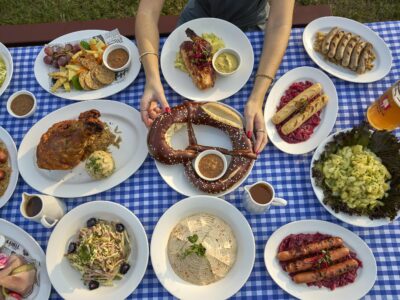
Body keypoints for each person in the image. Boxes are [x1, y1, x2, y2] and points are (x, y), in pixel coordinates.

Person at [135, 0, 294, 154]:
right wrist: (152, 78)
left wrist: (257, 99)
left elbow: (280, 22)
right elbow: (147, 12)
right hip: (196, 19)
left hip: (251, 29)